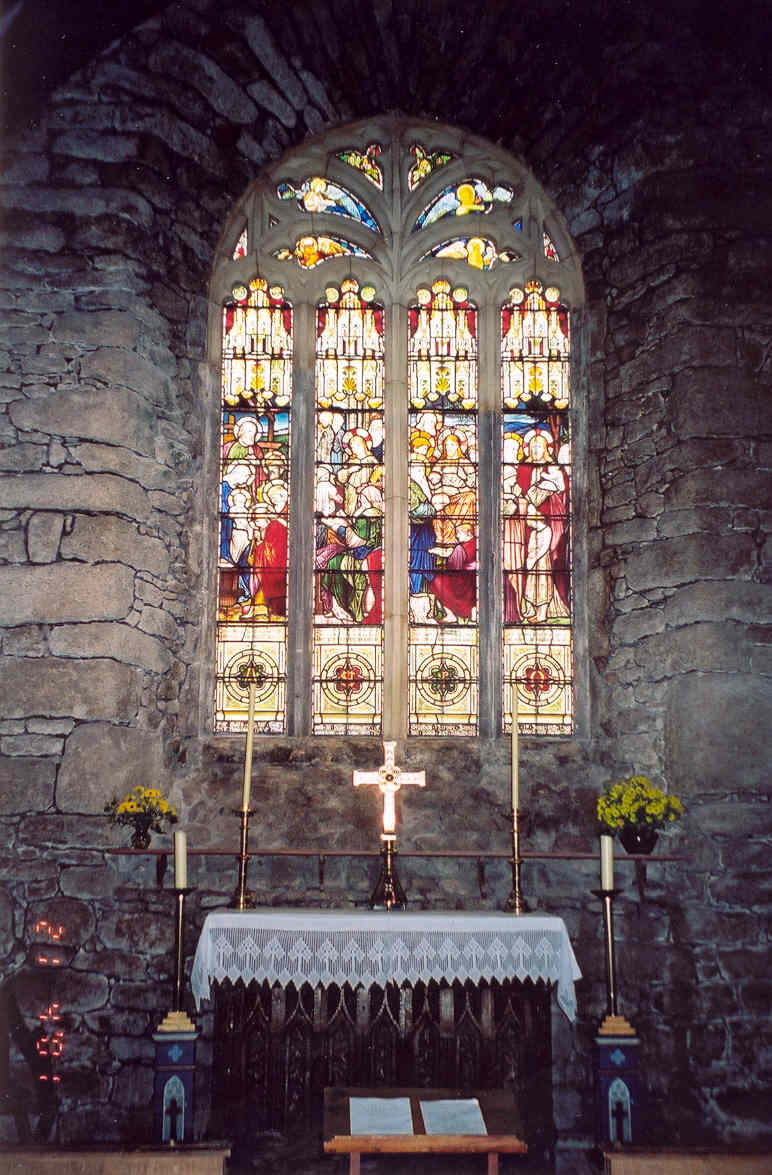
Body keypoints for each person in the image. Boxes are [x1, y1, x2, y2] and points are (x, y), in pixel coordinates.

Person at [503, 429, 570, 623]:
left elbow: (562, 496)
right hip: (526, 526)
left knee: (542, 568)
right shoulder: (523, 470)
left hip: (545, 525)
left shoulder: (553, 470)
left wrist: (548, 492)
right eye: (532, 446)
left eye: (539, 446)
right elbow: (520, 493)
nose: (535, 449)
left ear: (546, 449)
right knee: (527, 566)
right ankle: (530, 607)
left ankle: (543, 610)